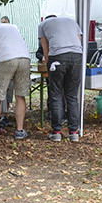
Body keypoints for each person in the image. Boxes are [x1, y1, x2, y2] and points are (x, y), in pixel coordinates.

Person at [38, 14, 83, 142]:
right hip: (77, 56)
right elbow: (78, 40)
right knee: (72, 95)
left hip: (57, 56)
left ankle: (57, 132)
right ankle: (74, 132)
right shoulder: (72, 21)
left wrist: (48, 63)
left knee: (56, 94)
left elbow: (45, 49)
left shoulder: (42, 25)